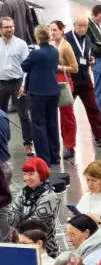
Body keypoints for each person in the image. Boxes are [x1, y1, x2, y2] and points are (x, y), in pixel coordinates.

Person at [61, 15, 101, 157]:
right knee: (67, 112)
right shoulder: (67, 39)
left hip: (85, 79)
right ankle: (67, 143)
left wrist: (91, 59)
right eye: (79, 26)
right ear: (74, 25)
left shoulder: (88, 38)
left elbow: (87, 54)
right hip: (70, 80)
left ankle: (100, 136)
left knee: (93, 108)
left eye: (85, 26)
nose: (82, 29)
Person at [5, 158, 60, 256]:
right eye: (25, 174)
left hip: (44, 249)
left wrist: (18, 218)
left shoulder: (50, 196)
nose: (26, 178)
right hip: (23, 245)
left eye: (31, 174)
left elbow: (35, 224)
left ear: (41, 173)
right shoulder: (24, 192)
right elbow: (10, 219)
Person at [22, 24, 59, 165]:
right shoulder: (54, 51)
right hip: (53, 92)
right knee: (52, 123)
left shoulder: (35, 53)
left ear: (37, 37)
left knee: (38, 125)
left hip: (38, 93)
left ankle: (44, 158)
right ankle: (55, 155)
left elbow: (24, 66)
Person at [0, 16, 32, 157]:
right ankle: (2, 142)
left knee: (24, 115)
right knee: (1, 116)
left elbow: (27, 67)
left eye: (12, 26)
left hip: (17, 83)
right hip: (1, 83)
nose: (10, 29)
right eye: (7, 27)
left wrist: (24, 85)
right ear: (1, 29)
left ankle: (28, 144)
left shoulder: (21, 44)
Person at [50, 20, 79, 160]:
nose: (52, 33)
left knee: (67, 116)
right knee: (52, 116)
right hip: (51, 82)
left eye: (55, 30)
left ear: (62, 31)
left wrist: (59, 67)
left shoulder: (66, 47)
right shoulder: (50, 44)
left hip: (64, 83)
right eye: (51, 30)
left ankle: (70, 145)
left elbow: (75, 68)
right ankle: (57, 142)